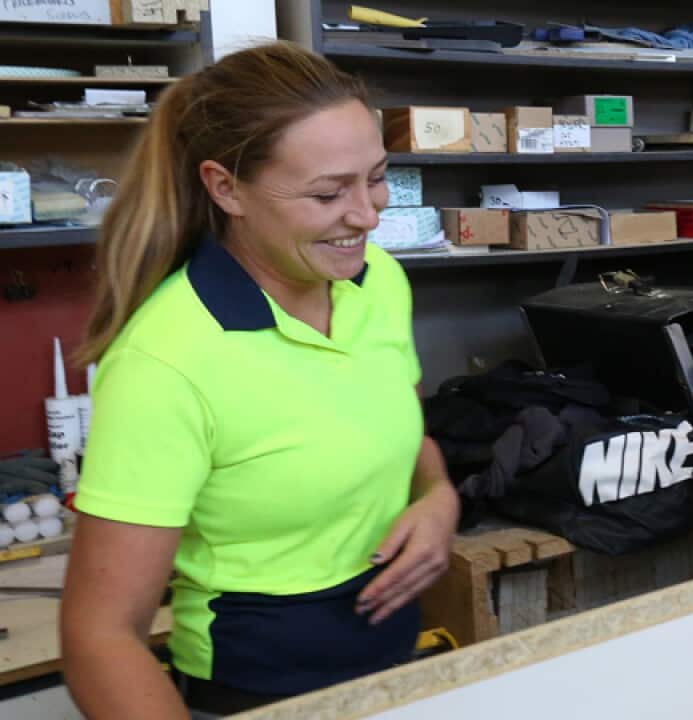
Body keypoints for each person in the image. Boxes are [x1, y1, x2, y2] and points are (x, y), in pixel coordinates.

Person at [60, 42, 460, 717]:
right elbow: (99, 637)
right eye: (329, 193)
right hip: (257, 694)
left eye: (378, 177)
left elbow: (391, 430)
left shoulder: (377, 281)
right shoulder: (167, 361)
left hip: (396, 668)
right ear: (225, 188)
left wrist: (438, 493)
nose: (367, 214)